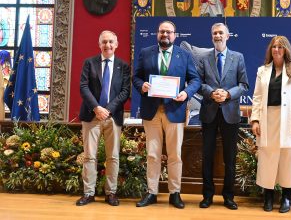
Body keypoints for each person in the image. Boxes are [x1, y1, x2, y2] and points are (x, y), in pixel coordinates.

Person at [133, 21, 201, 209]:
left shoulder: (184, 55)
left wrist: (186, 93)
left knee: (175, 155)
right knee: (152, 154)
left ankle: (175, 193)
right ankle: (152, 191)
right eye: (162, 31)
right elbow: (136, 77)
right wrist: (142, 86)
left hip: (175, 110)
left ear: (175, 35)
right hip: (152, 111)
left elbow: (195, 79)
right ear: (157, 34)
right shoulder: (146, 53)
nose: (165, 34)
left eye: (168, 32)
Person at [250, 35, 291, 213]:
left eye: (280, 47)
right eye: (274, 47)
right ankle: (268, 197)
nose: (277, 50)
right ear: (270, 49)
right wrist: (255, 120)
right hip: (268, 119)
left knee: (288, 159)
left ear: (286, 50)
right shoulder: (263, 70)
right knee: (268, 158)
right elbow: (257, 97)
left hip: (289, 120)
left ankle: (286, 198)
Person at [197, 23, 249, 210]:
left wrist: (227, 94)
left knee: (230, 157)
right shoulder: (204, 58)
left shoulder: (238, 58)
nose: (217, 36)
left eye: (221, 33)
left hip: (230, 113)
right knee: (207, 156)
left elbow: (244, 85)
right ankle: (207, 195)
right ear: (211, 36)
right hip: (209, 112)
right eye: (214, 33)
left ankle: (228, 196)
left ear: (228, 36)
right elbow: (198, 83)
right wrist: (212, 93)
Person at [76, 31, 131, 206]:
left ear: (117, 44)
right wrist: (97, 108)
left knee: (113, 157)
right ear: (99, 44)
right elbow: (83, 87)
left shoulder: (123, 66)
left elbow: (125, 92)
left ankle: (111, 193)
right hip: (91, 116)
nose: (107, 45)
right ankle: (89, 193)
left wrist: (107, 110)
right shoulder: (89, 63)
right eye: (104, 42)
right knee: (89, 157)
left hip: (112, 117)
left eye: (110, 42)